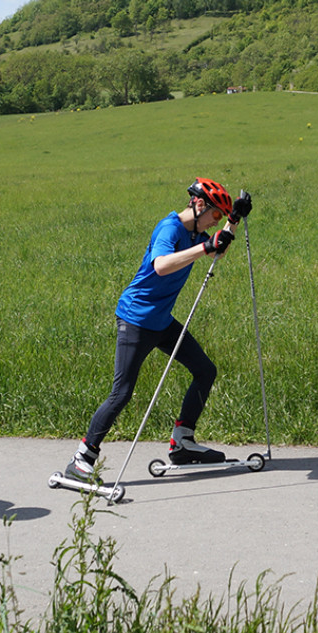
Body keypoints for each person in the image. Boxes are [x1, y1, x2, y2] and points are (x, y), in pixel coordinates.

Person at [65, 178, 252, 483]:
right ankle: (82, 458)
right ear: (199, 204)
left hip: (162, 322)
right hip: (136, 320)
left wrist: (233, 221)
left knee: (205, 370)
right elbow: (162, 266)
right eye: (216, 214)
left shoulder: (195, 233)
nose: (215, 222)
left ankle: (183, 442)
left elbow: (217, 250)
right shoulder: (170, 229)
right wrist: (206, 246)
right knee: (122, 393)